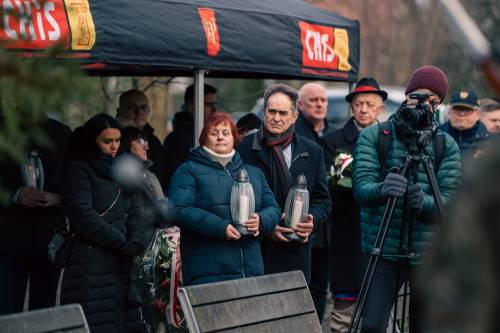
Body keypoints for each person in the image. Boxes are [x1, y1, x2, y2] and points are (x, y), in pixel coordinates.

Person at [352, 65, 461, 333]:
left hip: (427, 254)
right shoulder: (376, 136)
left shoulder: (444, 145)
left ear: (439, 104)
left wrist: (424, 202)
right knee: (373, 325)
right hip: (382, 249)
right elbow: (361, 189)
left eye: (430, 99)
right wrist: (382, 189)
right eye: (416, 97)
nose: (421, 104)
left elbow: (451, 204)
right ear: (406, 97)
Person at [168, 112, 280, 286]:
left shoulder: (254, 173)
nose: (220, 137)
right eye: (214, 133)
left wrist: (261, 220)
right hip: (208, 274)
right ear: (203, 139)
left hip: (252, 273)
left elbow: (273, 208)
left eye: (226, 133)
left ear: (235, 138)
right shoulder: (188, 170)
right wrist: (221, 227)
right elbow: (179, 209)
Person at [237, 83, 331, 286]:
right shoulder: (244, 147)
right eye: (271, 111)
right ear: (264, 112)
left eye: (283, 112)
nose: (276, 118)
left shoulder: (313, 151)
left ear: (294, 116)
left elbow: (322, 199)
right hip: (256, 250)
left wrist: (312, 222)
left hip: (295, 251)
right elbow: (234, 196)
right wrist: (266, 227)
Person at [61, 114, 146, 332]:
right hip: (90, 262)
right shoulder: (79, 169)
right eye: (107, 141)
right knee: (95, 323)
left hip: (123, 264)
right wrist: (120, 243)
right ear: (93, 140)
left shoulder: (124, 169)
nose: (114, 146)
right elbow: (82, 214)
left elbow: (136, 211)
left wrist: (135, 242)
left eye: (117, 141)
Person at [320, 77, 386, 332]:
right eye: (358, 104)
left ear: (381, 107)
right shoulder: (332, 141)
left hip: (382, 233)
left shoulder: (392, 139)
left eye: (370, 104)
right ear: (351, 107)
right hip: (348, 234)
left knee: (379, 310)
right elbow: (327, 184)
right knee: (343, 313)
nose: (363, 109)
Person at [0, 114, 71, 315]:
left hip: (49, 238)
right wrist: (17, 194)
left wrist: (57, 198)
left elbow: (74, 178)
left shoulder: (61, 133)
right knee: (7, 309)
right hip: (9, 237)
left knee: (45, 309)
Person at [295, 82, 331, 322]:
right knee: (302, 285)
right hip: (300, 222)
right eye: (312, 100)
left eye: (323, 100)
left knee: (320, 285)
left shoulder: (331, 132)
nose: (319, 104)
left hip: (324, 222)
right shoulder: (296, 133)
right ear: (299, 105)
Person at [161, 84, 218, 189]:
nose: (215, 109)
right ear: (192, 107)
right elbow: (177, 180)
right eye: (208, 104)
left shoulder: (213, 136)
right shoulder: (176, 141)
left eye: (215, 104)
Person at [116, 89, 163, 179]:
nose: (139, 112)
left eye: (144, 107)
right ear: (119, 111)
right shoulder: (112, 139)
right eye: (131, 107)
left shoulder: (154, 141)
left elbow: (160, 175)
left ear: (149, 111)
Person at [440, 89, 490, 161]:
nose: (461, 114)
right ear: (449, 112)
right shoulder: (437, 135)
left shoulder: (489, 141)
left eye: (467, 109)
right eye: (457, 108)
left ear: (478, 114)